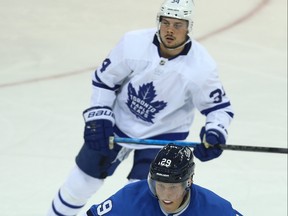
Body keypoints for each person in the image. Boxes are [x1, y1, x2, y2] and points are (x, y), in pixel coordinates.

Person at [47, 0, 234, 215]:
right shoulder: (132, 43)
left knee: (147, 197)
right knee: (79, 184)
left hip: (163, 137)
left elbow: (219, 108)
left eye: (178, 24)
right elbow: (105, 80)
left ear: (189, 27)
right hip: (117, 125)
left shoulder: (202, 66)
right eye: (165, 23)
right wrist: (98, 118)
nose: (170, 30)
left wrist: (215, 132)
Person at [85, 144, 242, 216]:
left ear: (189, 182)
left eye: (173, 187)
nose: (166, 195)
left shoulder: (215, 209)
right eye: (160, 185)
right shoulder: (130, 198)